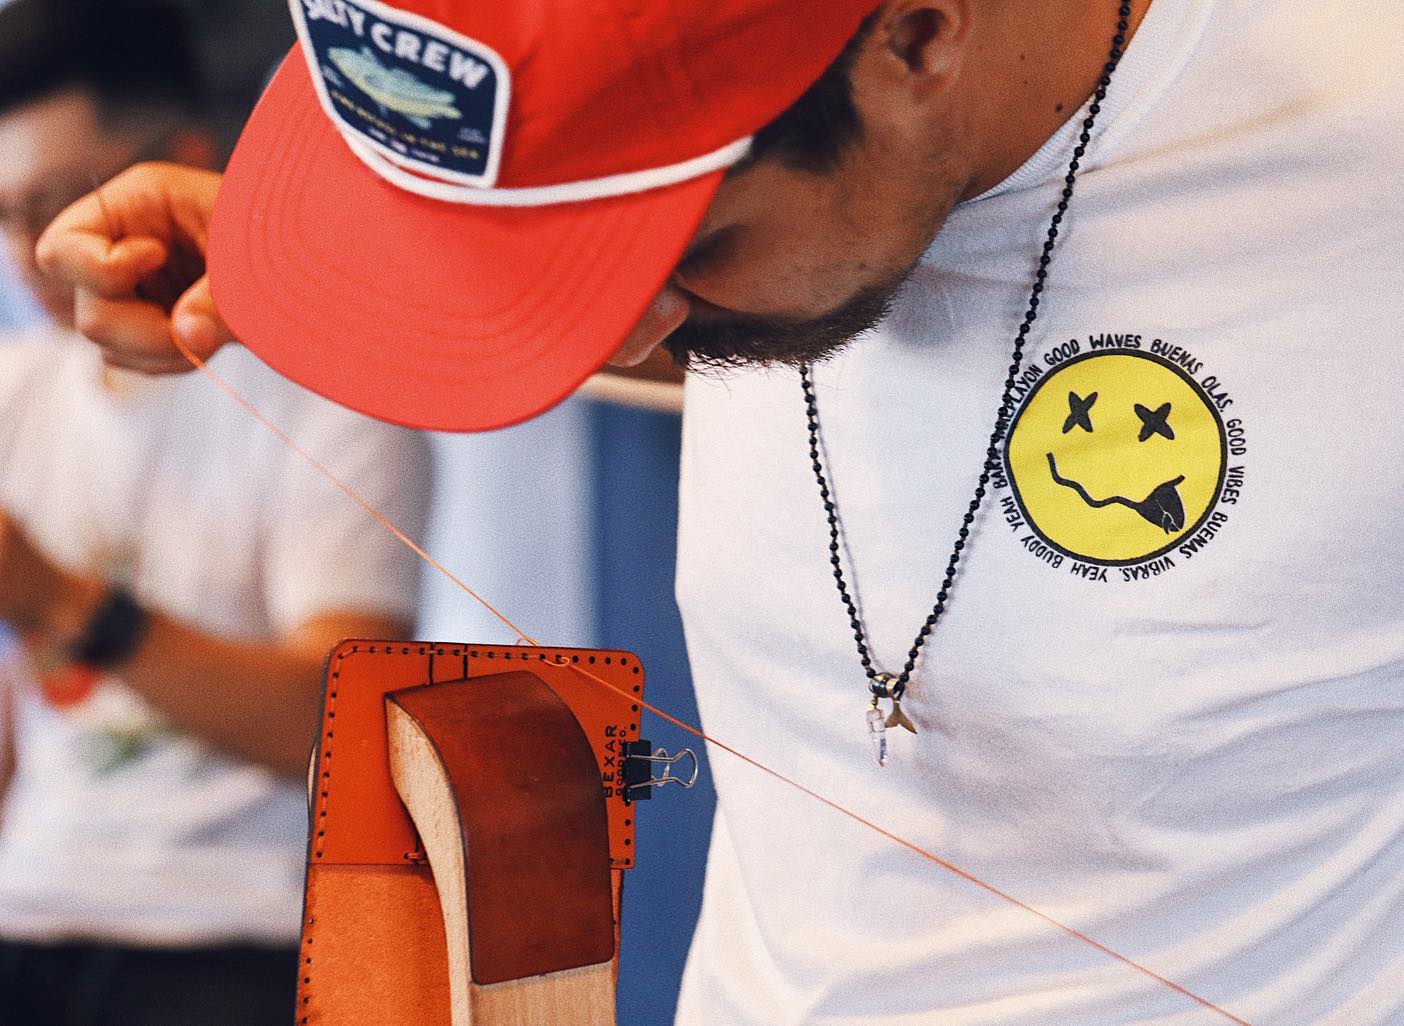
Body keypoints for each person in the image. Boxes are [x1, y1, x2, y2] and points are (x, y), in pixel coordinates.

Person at [34, 0, 1404, 1022]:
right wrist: (341, 275)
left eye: (685, 251)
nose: (632, 329)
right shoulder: (813, 192)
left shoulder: (1360, 190)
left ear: (917, 38)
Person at [0, 1, 432, 1022]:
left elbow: (336, 733)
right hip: (31, 909)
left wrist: (59, 601)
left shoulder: (327, 396)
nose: (34, 253)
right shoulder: (19, 393)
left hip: (239, 933)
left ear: (178, 171)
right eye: (7, 215)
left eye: (56, 203)